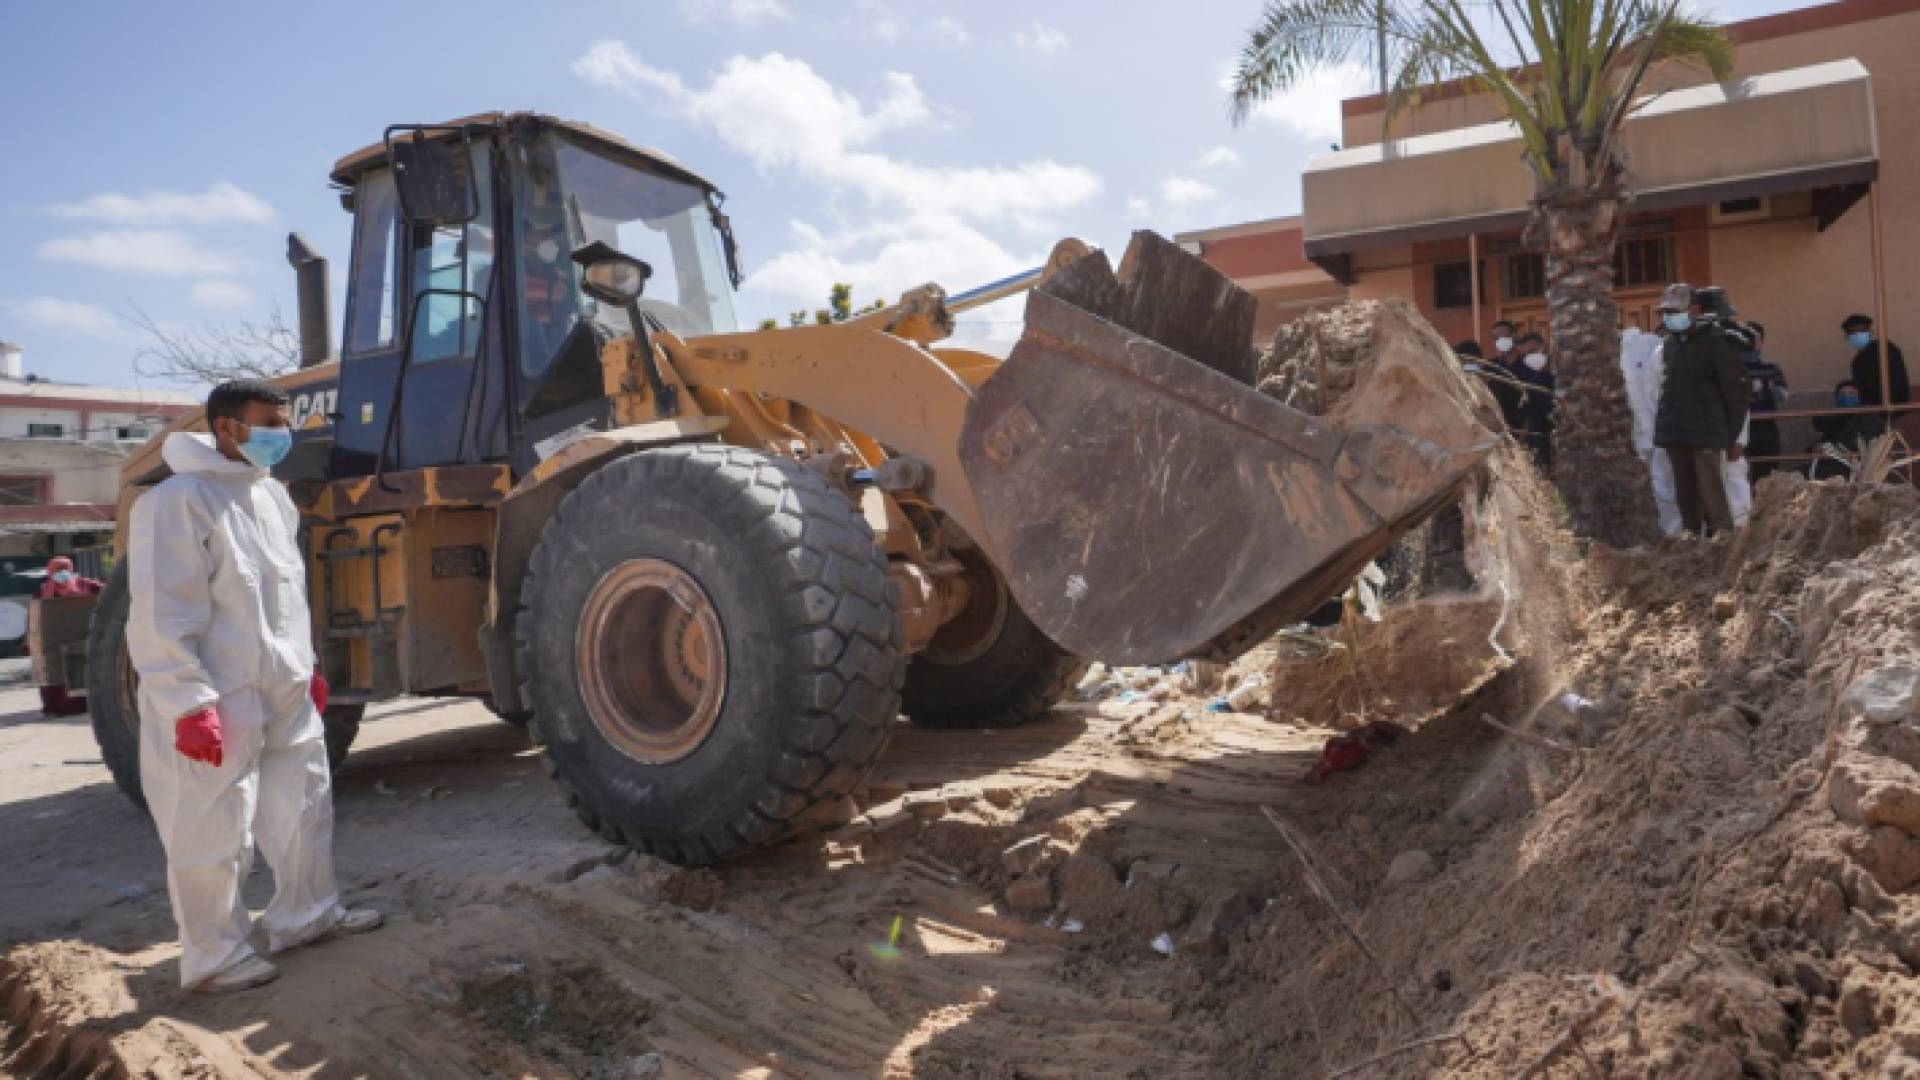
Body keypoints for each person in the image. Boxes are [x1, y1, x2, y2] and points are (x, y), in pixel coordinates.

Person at [127, 379, 382, 994]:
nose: (280, 432)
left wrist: (308, 666)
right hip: (221, 694)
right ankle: (213, 956)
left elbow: (287, 597)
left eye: (283, 421)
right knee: (213, 824)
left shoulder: (272, 498)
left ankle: (305, 914)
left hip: (284, 687)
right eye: (268, 421)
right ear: (226, 428)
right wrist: (187, 702)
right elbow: (164, 613)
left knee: (304, 805)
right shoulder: (176, 502)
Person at [1654, 284, 1748, 536]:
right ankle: (1692, 548)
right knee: (1685, 499)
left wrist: (1734, 436)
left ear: (1694, 310)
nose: (1669, 317)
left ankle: (1723, 547)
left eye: (1675, 311)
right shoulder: (1669, 345)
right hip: (1676, 433)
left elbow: (1735, 394)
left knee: (1713, 498)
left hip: (1707, 433)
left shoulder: (1718, 341)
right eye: (1665, 312)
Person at [1620, 326, 1681, 535]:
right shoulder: (1605, 354)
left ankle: (1673, 534)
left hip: (1663, 431)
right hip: (1634, 437)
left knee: (1667, 486)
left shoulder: (1648, 345)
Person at [36, 555, 102, 716]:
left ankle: (85, 705)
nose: (62, 573)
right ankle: (56, 708)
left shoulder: (85, 585)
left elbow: (107, 594)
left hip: (80, 636)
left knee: (81, 669)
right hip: (53, 640)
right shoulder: (43, 590)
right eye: (57, 570)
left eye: (65, 569)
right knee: (54, 673)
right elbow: (35, 615)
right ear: (50, 571)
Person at [1809, 379, 1889, 480]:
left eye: (1852, 393)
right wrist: (1816, 447)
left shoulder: (1868, 417)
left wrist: (1829, 449)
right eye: (1842, 394)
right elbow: (1828, 437)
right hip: (1835, 462)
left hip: (1855, 466)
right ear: (1836, 398)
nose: (1847, 397)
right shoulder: (1840, 418)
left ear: (1860, 397)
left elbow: (1857, 444)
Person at [1740, 322, 1789, 482]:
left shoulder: (1772, 368)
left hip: (1765, 429)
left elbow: (1783, 395)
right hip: (1738, 428)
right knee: (1738, 476)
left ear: (1761, 342)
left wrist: (1764, 387)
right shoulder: (1730, 368)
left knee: (1766, 477)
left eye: (1754, 338)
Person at [1841, 313, 1911, 411]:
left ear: (1870, 332)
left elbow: (1895, 381)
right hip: (1870, 406)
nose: (1856, 335)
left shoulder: (1885, 349)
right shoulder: (1856, 362)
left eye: (1861, 331)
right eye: (1852, 332)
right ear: (1846, 337)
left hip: (1892, 403)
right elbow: (1859, 386)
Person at [1510, 331, 1555, 470]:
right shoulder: (1532, 382)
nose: (1530, 357)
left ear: (1544, 347)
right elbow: (1531, 415)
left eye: (1533, 351)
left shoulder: (1561, 375)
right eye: (1525, 355)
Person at [1486, 320, 1524, 431]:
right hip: (1499, 428)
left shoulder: (1527, 366)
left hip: (1523, 428)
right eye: (1495, 339)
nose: (1499, 342)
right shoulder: (1491, 366)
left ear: (1513, 336)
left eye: (1503, 337)